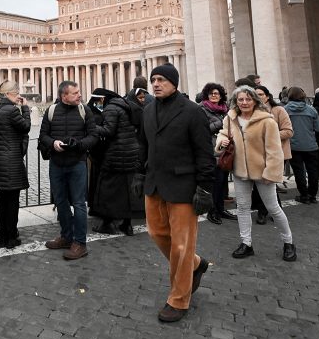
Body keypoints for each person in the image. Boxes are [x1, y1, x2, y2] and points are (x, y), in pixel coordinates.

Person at [137, 64, 214, 323]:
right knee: (157, 233)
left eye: (161, 80)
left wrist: (204, 188)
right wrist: (140, 173)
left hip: (183, 185)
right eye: (153, 80)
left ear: (174, 82)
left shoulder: (193, 112)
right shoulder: (147, 110)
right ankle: (196, 264)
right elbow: (143, 146)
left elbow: (204, 153)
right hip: (155, 183)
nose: (156, 84)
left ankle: (178, 299)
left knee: (181, 245)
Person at [218, 85, 296, 263]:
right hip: (239, 170)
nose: (244, 103)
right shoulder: (231, 118)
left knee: (273, 208)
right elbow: (223, 133)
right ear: (235, 101)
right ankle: (246, 243)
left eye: (248, 99)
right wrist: (221, 140)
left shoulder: (267, 121)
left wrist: (271, 172)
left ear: (255, 100)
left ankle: (288, 242)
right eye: (240, 99)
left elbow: (275, 150)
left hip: (263, 172)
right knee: (242, 208)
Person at [39, 80, 99, 261]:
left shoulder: (84, 110)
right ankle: (66, 236)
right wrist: (53, 143)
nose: (79, 95)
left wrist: (79, 145)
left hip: (77, 163)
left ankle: (80, 243)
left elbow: (94, 136)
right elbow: (43, 135)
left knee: (79, 203)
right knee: (61, 201)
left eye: (79, 92)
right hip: (57, 164)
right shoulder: (51, 111)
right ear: (64, 96)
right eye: (75, 93)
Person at [91, 88, 144, 236]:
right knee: (126, 190)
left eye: (99, 100)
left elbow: (108, 130)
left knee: (107, 188)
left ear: (104, 99)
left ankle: (107, 223)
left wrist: (91, 127)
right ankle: (127, 225)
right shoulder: (127, 105)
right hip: (131, 152)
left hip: (116, 154)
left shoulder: (111, 108)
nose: (98, 103)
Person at [0, 80, 31, 249]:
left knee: (2, 200)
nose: (18, 95)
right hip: (11, 162)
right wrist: (25, 109)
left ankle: (2, 235)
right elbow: (25, 127)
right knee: (12, 202)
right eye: (16, 92)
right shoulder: (12, 110)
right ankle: (11, 237)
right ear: (7, 94)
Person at [251, 85, 292, 223]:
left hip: (275, 153)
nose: (258, 97)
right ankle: (270, 210)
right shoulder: (250, 112)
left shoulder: (279, 110)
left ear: (267, 96)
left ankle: (266, 211)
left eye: (261, 94)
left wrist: (269, 135)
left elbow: (288, 131)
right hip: (256, 153)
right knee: (261, 183)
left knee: (268, 182)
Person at [198, 83, 234, 225]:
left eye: (217, 93)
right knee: (214, 182)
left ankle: (221, 208)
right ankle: (212, 211)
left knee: (222, 181)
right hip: (211, 149)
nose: (214, 96)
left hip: (226, 149)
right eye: (212, 93)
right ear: (207, 94)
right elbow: (202, 129)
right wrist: (220, 124)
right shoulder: (201, 109)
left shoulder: (226, 109)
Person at [285, 87, 319, 204]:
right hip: (310, 144)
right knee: (313, 171)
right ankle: (313, 195)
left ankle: (304, 195)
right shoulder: (312, 110)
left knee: (298, 171)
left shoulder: (285, 110)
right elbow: (318, 128)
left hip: (294, 145)